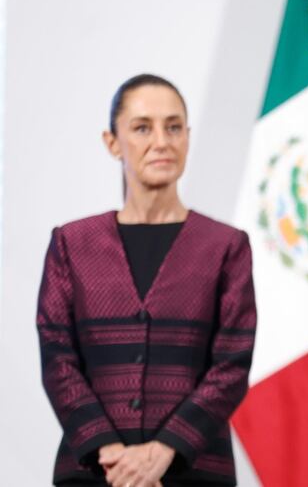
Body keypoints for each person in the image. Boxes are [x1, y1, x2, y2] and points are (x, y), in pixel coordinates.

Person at [36, 74, 256, 486]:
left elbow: (232, 364)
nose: (162, 141)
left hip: (193, 471)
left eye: (174, 127)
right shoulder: (71, 244)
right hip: (93, 472)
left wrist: (161, 454)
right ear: (112, 142)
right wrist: (114, 457)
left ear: (188, 138)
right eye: (142, 127)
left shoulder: (226, 246)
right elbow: (57, 358)